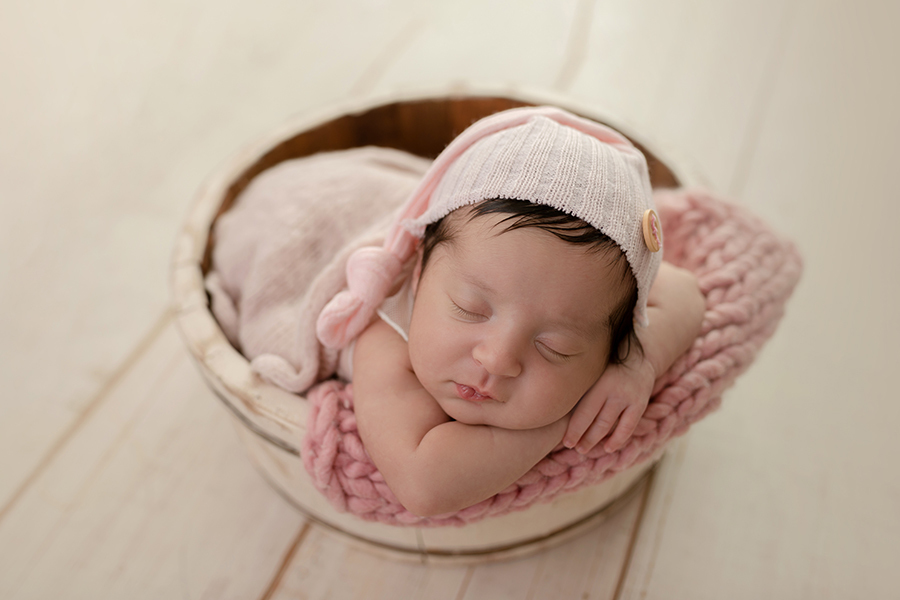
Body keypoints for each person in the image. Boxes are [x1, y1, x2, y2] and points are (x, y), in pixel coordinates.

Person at [317, 106, 705, 517]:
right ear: (418, 274)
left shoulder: (590, 283)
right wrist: (570, 414)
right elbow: (423, 484)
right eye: (470, 310)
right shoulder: (387, 328)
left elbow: (686, 292)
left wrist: (637, 363)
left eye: (555, 346)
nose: (498, 359)